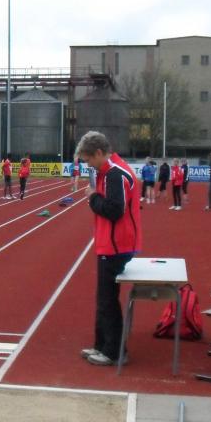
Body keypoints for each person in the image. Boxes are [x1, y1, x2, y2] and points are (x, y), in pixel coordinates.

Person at [76, 131, 142, 367]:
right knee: (103, 298)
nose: (88, 165)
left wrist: (93, 198)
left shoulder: (115, 174)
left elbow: (115, 210)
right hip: (111, 243)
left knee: (108, 300)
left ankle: (114, 351)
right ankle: (102, 345)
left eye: (89, 160)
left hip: (116, 246)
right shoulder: (108, 172)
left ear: (99, 153)